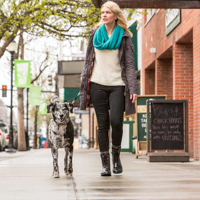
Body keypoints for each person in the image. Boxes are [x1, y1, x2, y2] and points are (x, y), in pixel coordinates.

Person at [80, 1, 138, 176]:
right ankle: (105, 164)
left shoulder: (124, 36)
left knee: (116, 122)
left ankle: (116, 157)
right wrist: (84, 84)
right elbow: (88, 61)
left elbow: (129, 64)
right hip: (98, 84)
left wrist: (133, 87)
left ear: (115, 15)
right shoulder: (94, 34)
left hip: (117, 85)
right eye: (102, 12)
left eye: (108, 12)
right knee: (102, 125)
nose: (104, 15)